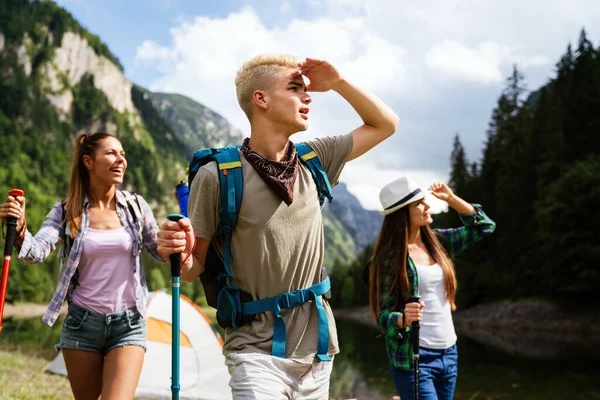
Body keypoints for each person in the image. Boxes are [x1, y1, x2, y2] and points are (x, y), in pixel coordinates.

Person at [157, 54, 399, 399]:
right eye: (295, 88)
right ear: (261, 99)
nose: (308, 96)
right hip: (253, 351)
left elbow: (386, 124)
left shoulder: (317, 159)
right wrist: (176, 252)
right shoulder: (218, 175)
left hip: (318, 350)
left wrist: (340, 82)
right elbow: (193, 267)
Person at [0, 132, 164, 400]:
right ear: (88, 161)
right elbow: (35, 252)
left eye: (122, 154)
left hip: (129, 323)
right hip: (81, 326)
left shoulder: (135, 206)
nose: (120, 159)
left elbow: (159, 251)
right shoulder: (66, 212)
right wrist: (19, 230)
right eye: (111, 153)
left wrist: (176, 238)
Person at [368, 176, 496, 400]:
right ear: (402, 214)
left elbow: (485, 227)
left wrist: (452, 199)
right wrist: (403, 319)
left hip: (449, 352)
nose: (428, 206)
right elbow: (382, 315)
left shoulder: (439, 243)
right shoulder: (390, 259)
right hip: (414, 358)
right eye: (419, 203)